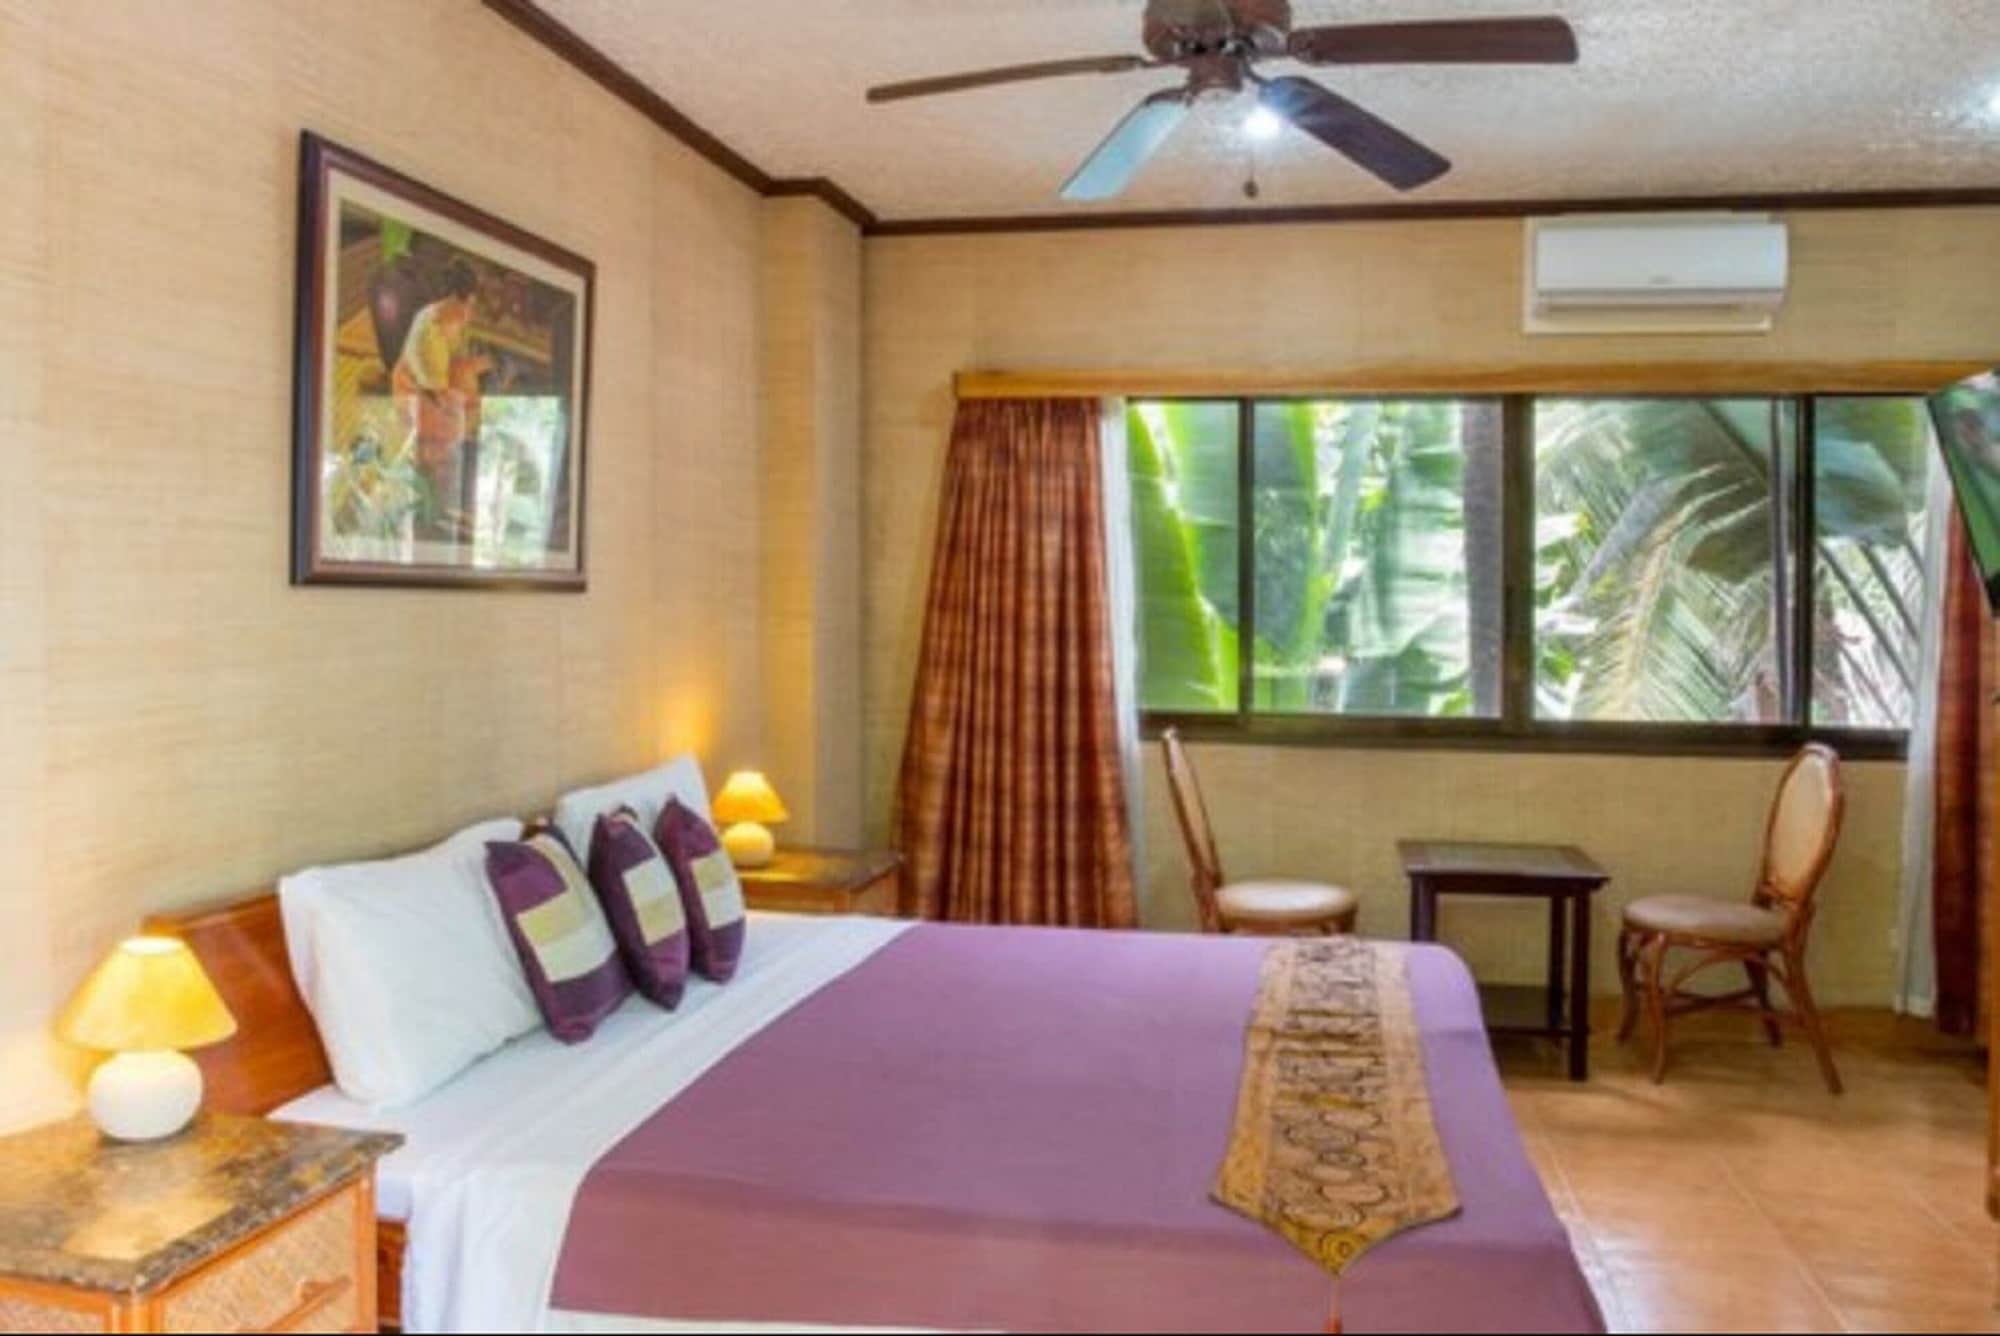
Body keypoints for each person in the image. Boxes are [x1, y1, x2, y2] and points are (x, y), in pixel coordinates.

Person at [392, 258, 492, 541]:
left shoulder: (444, 316)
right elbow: (440, 394)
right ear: (458, 300)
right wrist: (476, 367)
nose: (470, 314)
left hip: (437, 396)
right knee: (458, 446)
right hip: (422, 404)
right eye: (470, 305)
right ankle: (440, 514)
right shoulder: (431, 335)